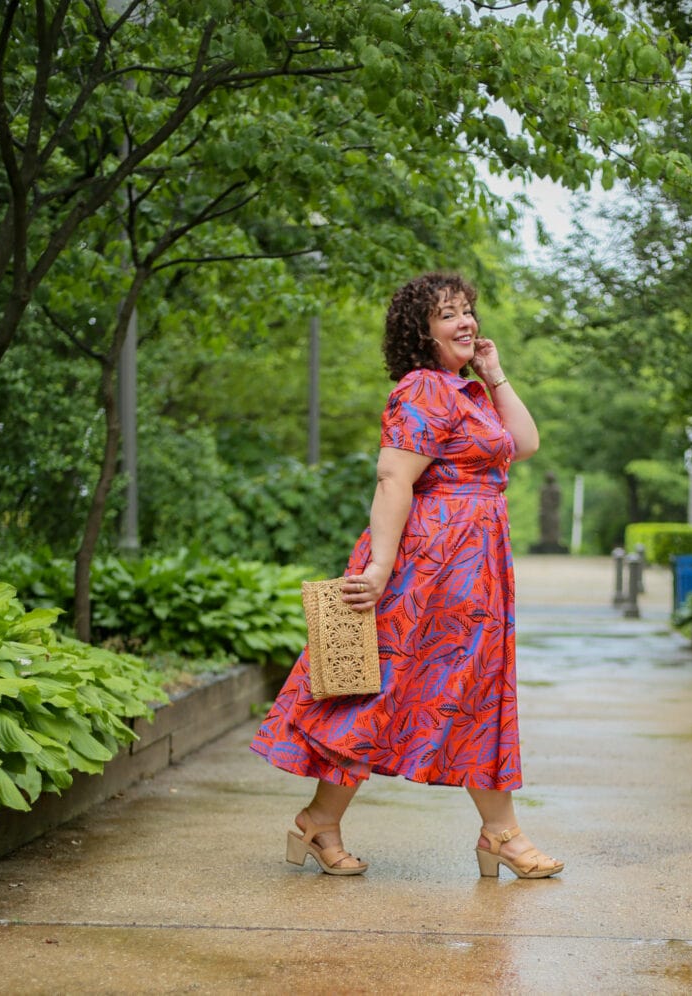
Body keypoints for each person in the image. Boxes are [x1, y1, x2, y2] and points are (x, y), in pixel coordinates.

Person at [250, 272, 564, 880]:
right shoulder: (423, 389)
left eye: (468, 310)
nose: (466, 321)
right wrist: (378, 569)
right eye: (449, 315)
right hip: (426, 568)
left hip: (475, 571)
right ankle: (329, 823)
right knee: (374, 692)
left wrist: (494, 374)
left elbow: (523, 444)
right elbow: (394, 479)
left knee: (473, 693)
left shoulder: (466, 391)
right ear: (421, 331)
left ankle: (487, 830)